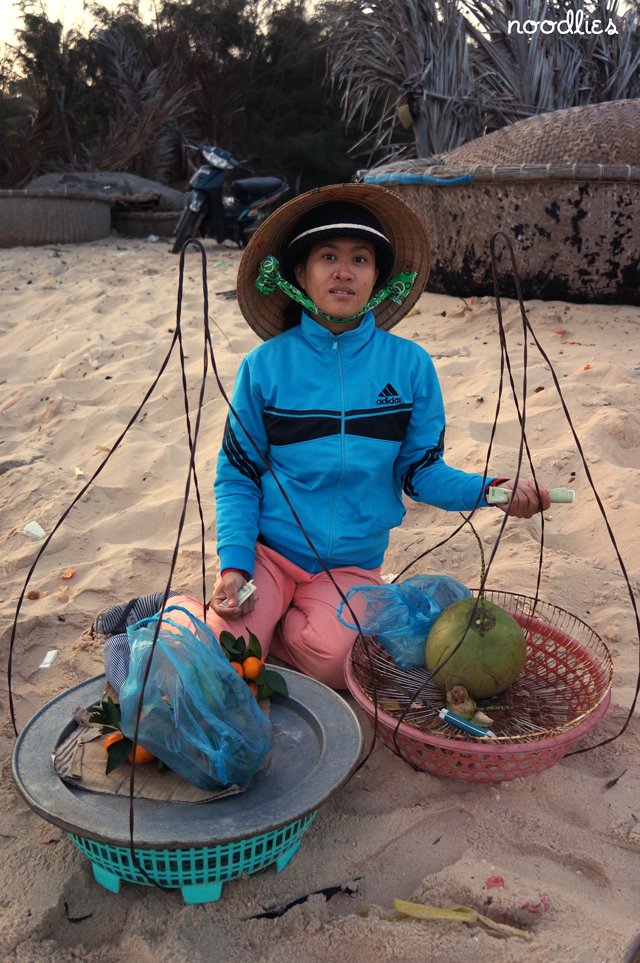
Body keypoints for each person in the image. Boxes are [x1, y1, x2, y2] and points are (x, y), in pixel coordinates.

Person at [101, 183, 550, 693]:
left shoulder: (410, 366)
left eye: (360, 258)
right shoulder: (265, 367)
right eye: (328, 256)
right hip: (267, 554)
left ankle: (281, 627)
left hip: (351, 564)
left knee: (339, 667)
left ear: (377, 277)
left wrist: (492, 490)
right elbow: (238, 477)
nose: (344, 270)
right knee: (227, 655)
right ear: (300, 274)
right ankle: (183, 609)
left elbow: (421, 472)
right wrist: (234, 567)